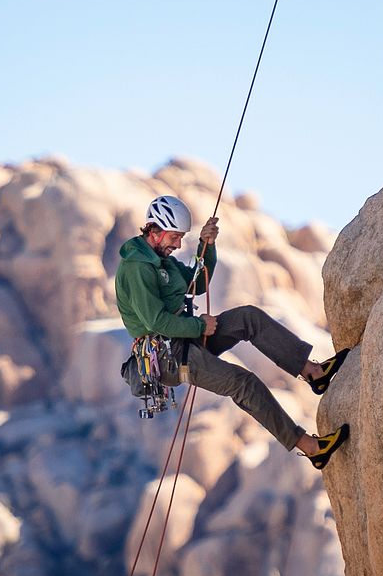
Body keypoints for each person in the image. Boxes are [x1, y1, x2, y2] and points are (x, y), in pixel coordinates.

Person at [115, 195, 350, 469]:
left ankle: (313, 373)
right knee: (243, 383)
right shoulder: (137, 267)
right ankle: (311, 448)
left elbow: (196, 284)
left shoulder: (160, 259)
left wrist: (207, 246)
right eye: (175, 237)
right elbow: (155, 321)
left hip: (185, 340)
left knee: (247, 318)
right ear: (156, 231)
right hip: (169, 357)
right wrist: (200, 326)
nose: (178, 244)